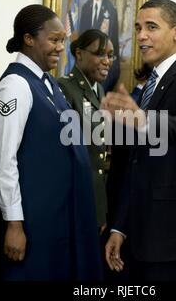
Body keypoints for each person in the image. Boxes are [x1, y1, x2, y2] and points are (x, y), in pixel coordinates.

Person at [103, 0, 176, 281]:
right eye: (139, 27)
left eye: (152, 27)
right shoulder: (151, 82)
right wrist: (119, 226)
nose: (141, 36)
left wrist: (141, 119)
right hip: (140, 236)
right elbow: (136, 164)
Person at [0, 4, 102, 280]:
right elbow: (4, 160)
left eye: (63, 40)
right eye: (53, 39)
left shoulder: (48, 83)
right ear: (28, 38)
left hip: (56, 219)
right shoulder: (15, 85)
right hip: (32, 221)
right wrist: (14, 224)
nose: (60, 47)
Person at [57, 29, 114, 233]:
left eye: (110, 55)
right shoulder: (64, 88)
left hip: (94, 197)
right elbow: (65, 155)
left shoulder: (99, 90)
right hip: (75, 200)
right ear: (79, 54)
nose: (107, 61)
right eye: (100, 54)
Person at [79, 0, 120, 92]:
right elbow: (81, 42)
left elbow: (114, 44)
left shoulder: (111, 10)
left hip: (102, 79)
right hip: (85, 74)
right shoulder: (86, 7)